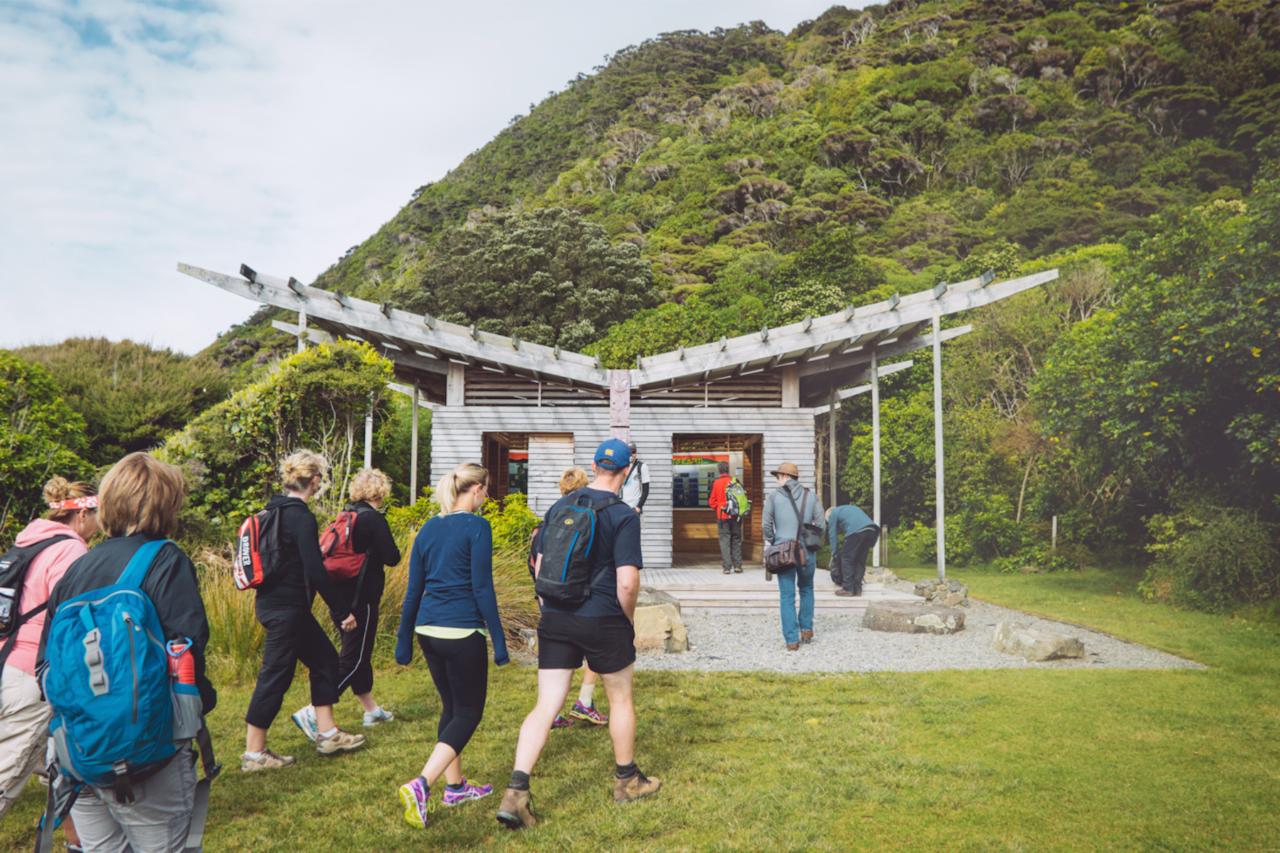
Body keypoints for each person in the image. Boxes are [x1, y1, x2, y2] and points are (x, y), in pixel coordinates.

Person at [37, 453, 215, 851]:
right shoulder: (166, 559)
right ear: (167, 503)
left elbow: (45, 668)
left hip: (78, 755)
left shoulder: (76, 571)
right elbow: (187, 647)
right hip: (149, 752)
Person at [496, 438, 659, 831]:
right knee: (620, 699)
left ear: (594, 464)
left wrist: (548, 608)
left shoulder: (560, 506)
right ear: (625, 470)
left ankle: (515, 793)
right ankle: (627, 781)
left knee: (546, 704)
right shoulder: (623, 515)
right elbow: (628, 582)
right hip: (602, 615)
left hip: (555, 614)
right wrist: (626, 620)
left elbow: (537, 564)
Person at [395, 463, 508, 829]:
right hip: (460, 632)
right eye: (485, 490)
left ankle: (455, 786)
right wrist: (499, 640)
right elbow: (482, 587)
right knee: (469, 713)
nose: (486, 497)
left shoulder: (429, 527)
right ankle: (422, 783)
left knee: (451, 707)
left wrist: (403, 640)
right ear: (475, 489)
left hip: (428, 630)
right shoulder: (477, 527)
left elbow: (413, 590)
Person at [244, 450, 365, 772]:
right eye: (320, 479)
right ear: (313, 480)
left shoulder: (270, 512)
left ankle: (328, 734)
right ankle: (254, 753)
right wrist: (342, 611)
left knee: (325, 659)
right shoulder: (299, 516)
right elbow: (315, 569)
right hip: (288, 610)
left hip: (273, 605)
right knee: (274, 676)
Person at [0, 477, 96, 853]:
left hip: (6, 662)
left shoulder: (28, 541)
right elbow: (70, 619)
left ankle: (81, 839)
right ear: (84, 513)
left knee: (57, 762)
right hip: (32, 676)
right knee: (8, 771)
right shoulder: (71, 551)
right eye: (98, 515)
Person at [293, 469, 401, 733]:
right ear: (381, 491)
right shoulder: (372, 519)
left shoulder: (345, 516)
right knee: (354, 658)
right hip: (360, 599)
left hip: (339, 599)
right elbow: (393, 557)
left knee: (356, 655)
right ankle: (313, 711)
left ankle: (371, 710)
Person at [546, 467, 606, 729]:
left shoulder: (552, 513)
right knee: (595, 649)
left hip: (551, 596)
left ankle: (553, 710)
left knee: (560, 657)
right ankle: (584, 700)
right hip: (582, 596)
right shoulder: (589, 513)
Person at [761, 462, 824, 651]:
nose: (777, 480)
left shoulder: (773, 497)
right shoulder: (811, 496)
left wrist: (774, 541)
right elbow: (821, 525)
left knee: (787, 596)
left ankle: (791, 640)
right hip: (807, 552)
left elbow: (765, 525)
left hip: (784, 551)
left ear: (783, 477)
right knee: (807, 589)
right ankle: (806, 629)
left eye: (778, 477)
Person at [826, 503, 879, 597]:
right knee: (860, 560)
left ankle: (848, 589)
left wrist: (834, 553)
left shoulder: (833, 513)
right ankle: (858, 589)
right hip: (872, 530)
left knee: (846, 558)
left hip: (857, 531)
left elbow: (832, 535)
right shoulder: (848, 509)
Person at [707, 461, 743, 574]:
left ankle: (727, 567)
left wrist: (719, 506)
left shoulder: (716, 483)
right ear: (728, 469)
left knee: (724, 540)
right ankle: (738, 566)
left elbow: (712, 502)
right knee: (736, 539)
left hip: (722, 515)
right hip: (736, 515)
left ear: (719, 470)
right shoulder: (735, 481)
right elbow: (741, 499)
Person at [618, 442, 649, 515]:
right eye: (629, 452)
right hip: (622, 507)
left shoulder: (642, 467)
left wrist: (638, 507)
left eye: (633, 452)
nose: (631, 454)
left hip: (634, 507)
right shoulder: (622, 466)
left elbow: (646, 490)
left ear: (636, 453)